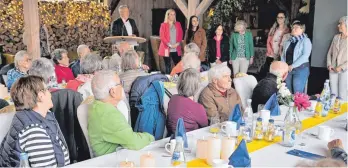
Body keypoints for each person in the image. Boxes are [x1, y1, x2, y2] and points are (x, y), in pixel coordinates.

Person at [0, 76, 70, 167]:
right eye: (47, 89)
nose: (50, 93)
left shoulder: (35, 117)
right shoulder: (34, 131)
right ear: (40, 96)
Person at [88, 70, 154, 157]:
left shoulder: (97, 106)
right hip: (111, 161)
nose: (122, 86)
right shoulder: (108, 114)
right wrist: (150, 137)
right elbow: (134, 142)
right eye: (120, 83)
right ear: (113, 92)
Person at [167, 68, 208, 134]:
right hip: (189, 140)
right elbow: (205, 126)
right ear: (196, 86)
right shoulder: (197, 107)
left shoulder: (173, 99)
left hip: (173, 138)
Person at [281, 20, 312, 94]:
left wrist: (292, 65)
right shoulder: (288, 41)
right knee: (287, 93)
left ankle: (297, 106)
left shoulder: (306, 40)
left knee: (297, 93)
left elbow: (305, 56)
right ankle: (289, 106)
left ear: (302, 30)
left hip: (300, 69)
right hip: (288, 69)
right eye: (293, 27)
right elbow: (283, 55)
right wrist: (283, 66)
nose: (293, 29)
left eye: (296, 27)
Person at [260, 11, 290, 79]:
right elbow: (268, 42)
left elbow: (286, 45)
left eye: (281, 17)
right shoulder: (273, 29)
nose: (279, 19)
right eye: (278, 17)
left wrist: (279, 55)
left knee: (278, 76)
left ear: (285, 19)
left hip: (280, 56)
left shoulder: (287, 30)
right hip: (271, 55)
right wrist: (271, 52)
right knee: (268, 74)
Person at [327, 16, 348, 101]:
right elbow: (329, 53)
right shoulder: (336, 37)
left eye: (340, 24)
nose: (338, 26)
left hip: (345, 71)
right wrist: (329, 65)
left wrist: (341, 67)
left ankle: (344, 114)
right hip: (333, 69)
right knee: (333, 94)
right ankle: (333, 112)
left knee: (343, 94)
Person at [158, 9, 184, 74]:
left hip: (176, 48)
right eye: (171, 14)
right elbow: (162, 37)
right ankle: (168, 81)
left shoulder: (178, 24)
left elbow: (181, 34)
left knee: (178, 65)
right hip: (166, 49)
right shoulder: (163, 25)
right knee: (168, 65)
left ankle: (180, 80)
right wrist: (170, 45)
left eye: (174, 14)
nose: (173, 16)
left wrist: (177, 43)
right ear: (168, 15)